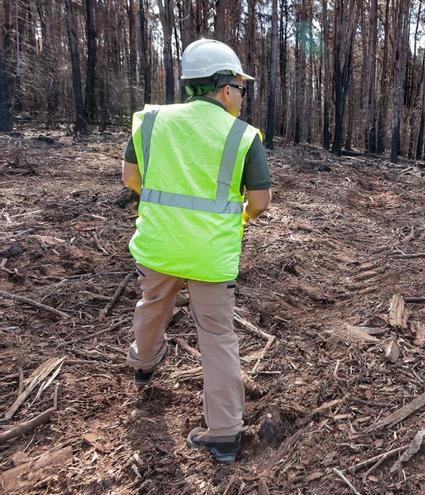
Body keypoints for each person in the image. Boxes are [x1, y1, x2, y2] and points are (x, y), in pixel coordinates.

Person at [120, 39, 271, 463]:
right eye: (240, 86)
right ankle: (224, 434)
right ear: (224, 87)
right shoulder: (243, 136)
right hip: (210, 256)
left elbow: (132, 180)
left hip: (158, 245)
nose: (242, 94)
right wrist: (236, 220)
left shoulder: (150, 122)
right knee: (218, 338)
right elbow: (259, 202)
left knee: (152, 305)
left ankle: (144, 364)